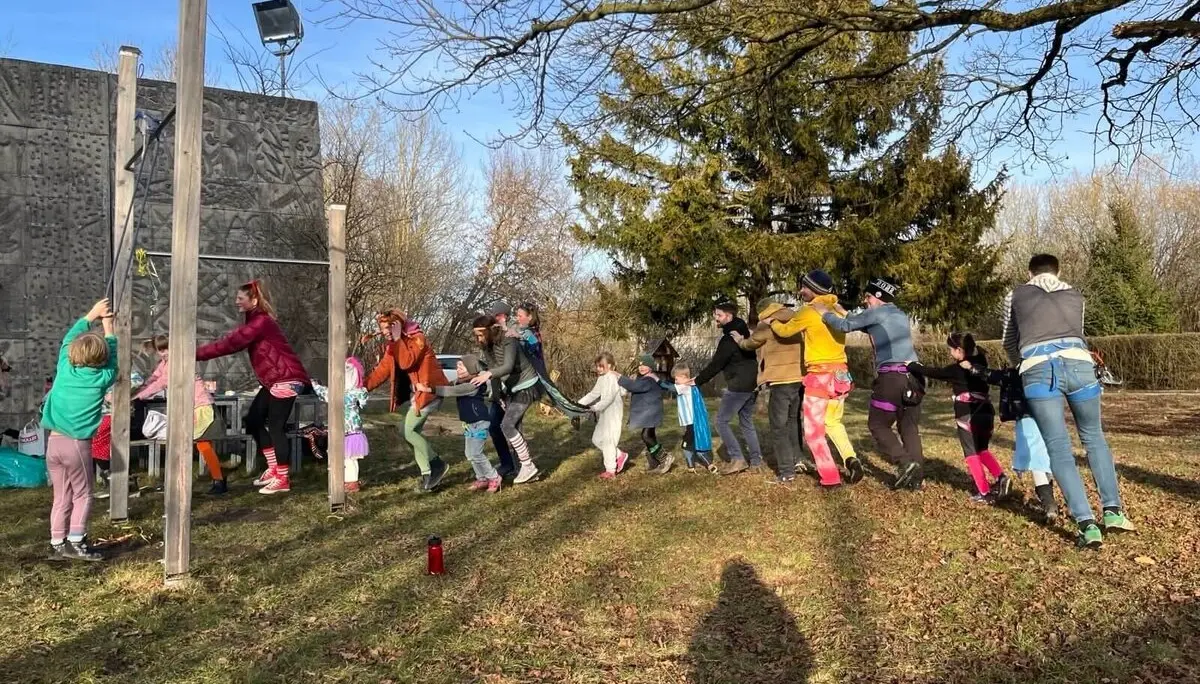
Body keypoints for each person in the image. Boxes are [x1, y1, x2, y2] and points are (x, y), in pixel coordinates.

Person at [1001, 253, 1134, 548]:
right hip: (1079, 365)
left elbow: (1010, 340)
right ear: (1058, 272)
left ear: (1029, 272)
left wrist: (1022, 364)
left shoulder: (1015, 295)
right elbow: (1078, 334)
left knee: (1058, 448)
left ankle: (1087, 525)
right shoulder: (1075, 294)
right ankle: (1112, 511)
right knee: (1094, 438)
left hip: (1037, 371)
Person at [197, 280, 310, 495]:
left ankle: (283, 478)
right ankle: (274, 468)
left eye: (240, 298)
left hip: (286, 378)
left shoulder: (261, 323)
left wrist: (195, 354)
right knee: (253, 421)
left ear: (254, 300)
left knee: (275, 426)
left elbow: (230, 344)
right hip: (273, 381)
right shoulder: (254, 321)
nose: (236, 301)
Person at [815, 277, 925, 490]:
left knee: (877, 424)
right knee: (909, 427)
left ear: (878, 296)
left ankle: (905, 463)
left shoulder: (877, 312)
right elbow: (866, 325)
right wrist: (842, 309)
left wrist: (825, 313)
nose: (865, 301)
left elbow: (846, 326)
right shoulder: (898, 314)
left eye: (867, 297)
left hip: (891, 378)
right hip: (915, 377)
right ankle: (916, 479)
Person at [764, 271, 863, 489]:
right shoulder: (837, 309)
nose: (801, 291)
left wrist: (772, 322)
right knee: (834, 422)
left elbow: (786, 330)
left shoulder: (809, 312)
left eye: (804, 287)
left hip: (819, 377)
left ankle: (829, 477)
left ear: (814, 289)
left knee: (813, 432)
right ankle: (850, 458)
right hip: (842, 375)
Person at [41, 299, 117, 562]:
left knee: (61, 496)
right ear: (102, 358)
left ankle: (57, 542)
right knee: (83, 493)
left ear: (72, 354)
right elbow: (114, 354)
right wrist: (108, 326)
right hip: (76, 444)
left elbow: (67, 339)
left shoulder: (64, 368)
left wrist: (92, 315)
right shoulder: (103, 377)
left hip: (53, 443)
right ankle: (77, 542)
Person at [907, 332, 1013, 503]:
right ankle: (1001, 477)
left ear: (959, 350)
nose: (950, 353)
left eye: (950, 349)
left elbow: (934, 372)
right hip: (986, 412)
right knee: (982, 449)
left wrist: (912, 365)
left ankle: (984, 492)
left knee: (970, 453)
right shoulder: (981, 363)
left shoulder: (956, 370)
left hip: (967, 415)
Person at [364, 310, 449, 493]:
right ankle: (427, 474)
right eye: (383, 329)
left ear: (398, 325)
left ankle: (437, 464)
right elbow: (382, 370)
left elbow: (406, 362)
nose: (386, 332)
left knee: (408, 430)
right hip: (419, 393)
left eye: (389, 328)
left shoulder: (417, 339)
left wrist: (396, 339)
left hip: (430, 391)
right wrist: (362, 387)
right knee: (409, 431)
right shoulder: (394, 345)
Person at [139, 335, 228, 495]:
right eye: (161, 350)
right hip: (187, 407)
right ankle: (182, 480)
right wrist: (142, 386)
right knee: (185, 444)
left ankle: (219, 480)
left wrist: (140, 395)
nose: (164, 353)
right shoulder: (165, 363)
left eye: (166, 349)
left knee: (203, 444)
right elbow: (155, 377)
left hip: (199, 407)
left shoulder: (179, 361)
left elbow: (162, 382)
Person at [969, 365, 1058, 522]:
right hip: (1050, 415)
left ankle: (1049, 505)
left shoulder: (1017, 371)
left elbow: (993, 375)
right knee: (1049, 459)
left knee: (1036, 462)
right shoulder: (1046, 366)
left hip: (1027, 417)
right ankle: (1063, 501)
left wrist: (973, 368)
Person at [731, 298, 806, 483]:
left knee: (778, 427)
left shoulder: (767, 323)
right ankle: (799, 459)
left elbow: (751, 344)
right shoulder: (794, 317)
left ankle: (786, 472)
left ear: (762, 310)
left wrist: (740, 339)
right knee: (793, 421)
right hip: (800, 378)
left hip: (780, 380)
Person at [693, 301, 763, 474]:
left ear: (729, 316)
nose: (715, 318)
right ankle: (756, 461)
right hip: (752, 383)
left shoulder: (729, 339)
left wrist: (697, 381)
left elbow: (717, 364)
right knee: (746, 422)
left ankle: (737, 459)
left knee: (720, 421)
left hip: (739, 385)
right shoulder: (745, 334)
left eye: (719, 315)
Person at [472, 315, 542, 484]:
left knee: (508, 425)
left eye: (481, 334)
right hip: (509, 388)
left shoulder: (509, 340)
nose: (479, 338)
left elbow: (507, 366)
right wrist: (497, 394)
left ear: (490, 330)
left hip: (526, 386)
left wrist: (488, 374)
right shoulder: (487, 346)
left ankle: (528, 466)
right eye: (476, 335)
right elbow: (494, 368)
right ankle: (513, 465)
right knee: (499, 426)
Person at [424, 355, 503, 493]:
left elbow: (451, 391)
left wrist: (431, 389)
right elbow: (447, 385)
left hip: (480, 423)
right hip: (469, 424)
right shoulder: (459, 381)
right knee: (470, 454)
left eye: (461, 366)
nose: (457, 368)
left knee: (476, 454)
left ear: (471, 369)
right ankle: (482, 478)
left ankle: (494, 477)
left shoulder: (472, 384)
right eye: (457, 366)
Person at [312, 357, 370, 493]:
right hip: (354, 431)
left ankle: (351, 482)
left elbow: (324, 393)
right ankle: (350, 480)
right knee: (351, 459)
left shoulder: (339, 395)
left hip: (345, 431)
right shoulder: (356, 393)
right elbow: (363, 399)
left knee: (346, 459)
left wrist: (314, 385)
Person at [578, 352, 629, 479]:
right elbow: (593, 394)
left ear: (610, 365)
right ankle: (619, 455)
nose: (598, 369)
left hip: (613, 411)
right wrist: (578, 404)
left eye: (601, 366)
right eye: (597, 366)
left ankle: (610, 470)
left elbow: (609, 399)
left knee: (608, 440)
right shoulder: (601, 378)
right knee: (596, 439)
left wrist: (594, 408)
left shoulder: (612, 378)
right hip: (604, 412)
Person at [619, 354, 673, 473]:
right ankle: (654, 461)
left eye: (645, 365)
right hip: (649, 412)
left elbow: (634, 387)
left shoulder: (649, 379)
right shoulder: (646, 378)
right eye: (640, 365)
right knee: (650, 436)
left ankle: (664, 457)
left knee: (646, 436)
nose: (642, 367)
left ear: (651, 367)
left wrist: (619, 377)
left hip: (651, 412)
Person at [485, 302, 517, 475]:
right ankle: (507, 463)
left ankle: (522, 464)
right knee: (494, 426)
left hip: (515, 389)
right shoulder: (492, 336)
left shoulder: (512, 333)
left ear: (503, 316)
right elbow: (492, 365)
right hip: (498, 390)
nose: (494, 318)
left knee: (513, 428)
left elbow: (509, 365)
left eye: (497, 315)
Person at [669, 364, 716, 473]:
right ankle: (691, 467)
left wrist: (656, 381)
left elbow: (669, 388)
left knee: (688, 444)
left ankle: (709, 465)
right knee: (690, 442)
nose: (675, 381)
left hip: (692, 422)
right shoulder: (691, 386)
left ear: (684, 376)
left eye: (676, 378)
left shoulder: (685, 387)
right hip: (691, 422)